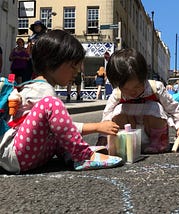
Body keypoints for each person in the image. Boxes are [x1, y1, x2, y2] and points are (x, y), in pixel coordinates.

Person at [0, 30, 121, 174]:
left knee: (59, 130)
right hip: (15, 154)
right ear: (52, 63)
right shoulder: (43, 89)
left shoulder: (36, 86)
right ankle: (83, 155)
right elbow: (64, 128)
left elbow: (60, 129)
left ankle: (72, 155)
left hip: (23, 154)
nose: (76, 71)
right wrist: (97, 126)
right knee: (51, 106)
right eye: (73, 66)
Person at [96, 48, 179, 154]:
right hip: (128, 135)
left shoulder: (155, 88)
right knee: (116, 111)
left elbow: (173, 108)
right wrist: (102, 137)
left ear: (144, 78)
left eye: (137, 87)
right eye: (126, 89)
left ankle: (158, 143)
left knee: (154, 107)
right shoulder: (117, 93)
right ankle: (121, 144)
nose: (132, 92)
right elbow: (106, 116)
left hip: (151, 134)